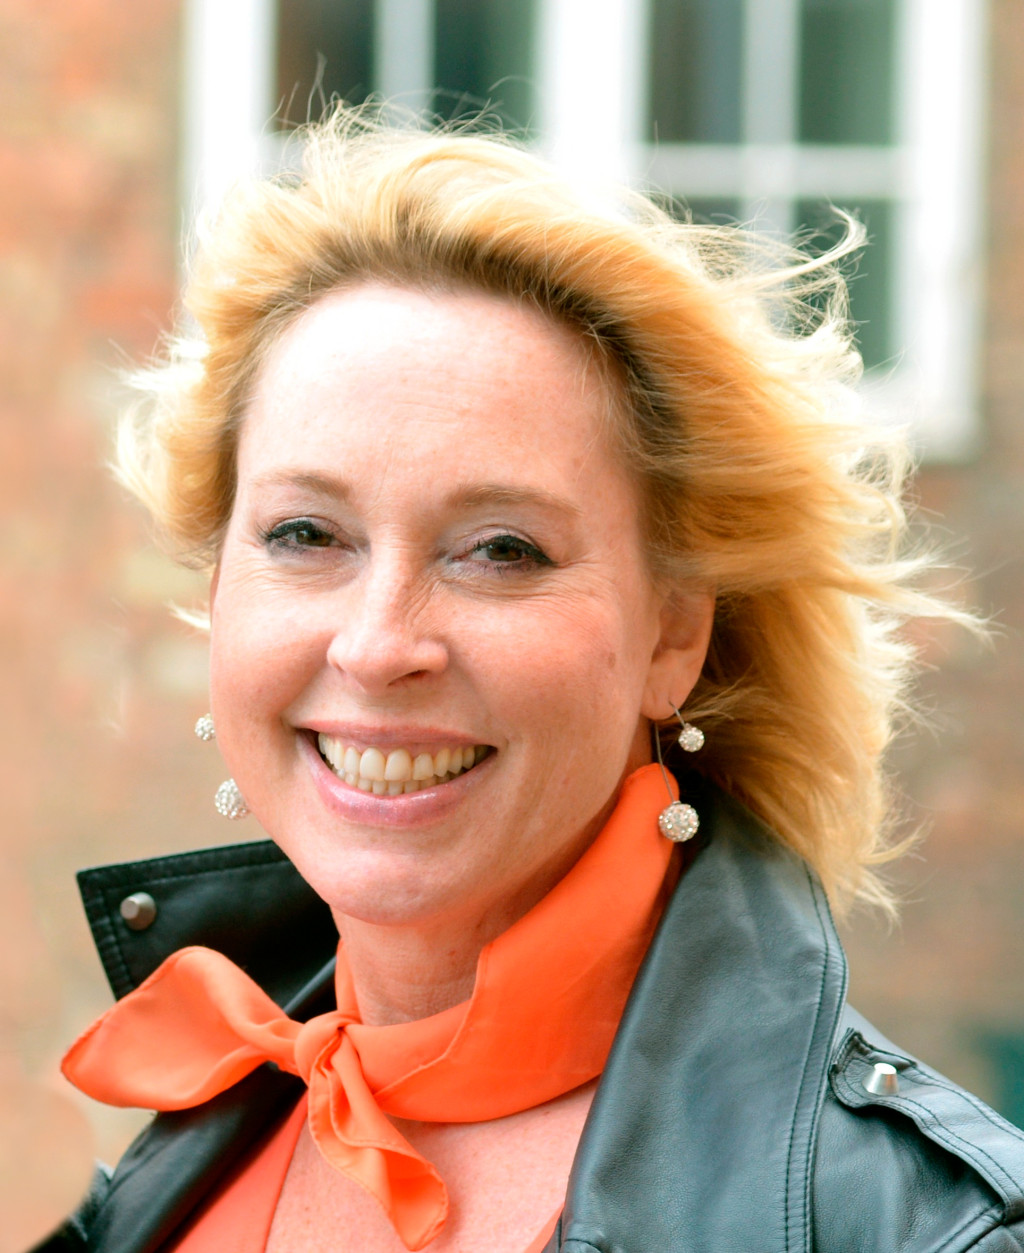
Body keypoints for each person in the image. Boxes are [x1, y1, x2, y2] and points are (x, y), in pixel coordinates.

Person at [38, 108, 1024, 1253]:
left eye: (501, 549)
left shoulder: (935, 1231)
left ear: (674, 633)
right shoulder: (172, 1168)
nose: (376, 644)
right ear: (216, 584)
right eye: (306, 532)